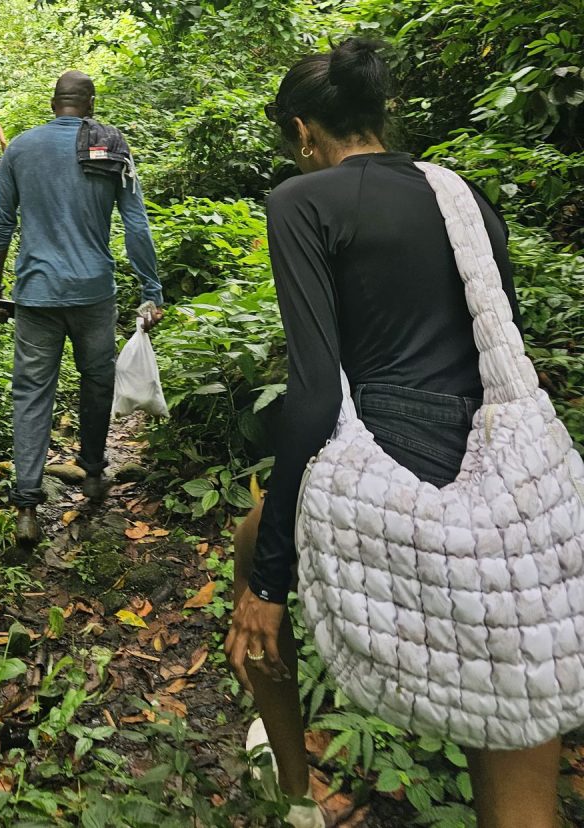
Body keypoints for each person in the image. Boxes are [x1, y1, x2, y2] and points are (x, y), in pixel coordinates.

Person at [224, 38, 561, 828]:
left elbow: (314, 394)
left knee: (250, 544)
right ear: (383, 112)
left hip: (386, 471)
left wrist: (268, 586)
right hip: (505, 497)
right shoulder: (463, 197)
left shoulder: (301, 203)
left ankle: (294, 791)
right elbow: (502, 347)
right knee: (514, 738)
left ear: (303, 132)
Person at [0, 70, 164, 546]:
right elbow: (136, 224)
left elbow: (0, 224)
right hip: (94, 293)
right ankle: (93, 473)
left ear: (53, 103)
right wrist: (151, 289)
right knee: (97, 380)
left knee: (31, 392)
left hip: (36, 294)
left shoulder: (21, 147)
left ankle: (27, 504)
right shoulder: (111, 144)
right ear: (90, 104)